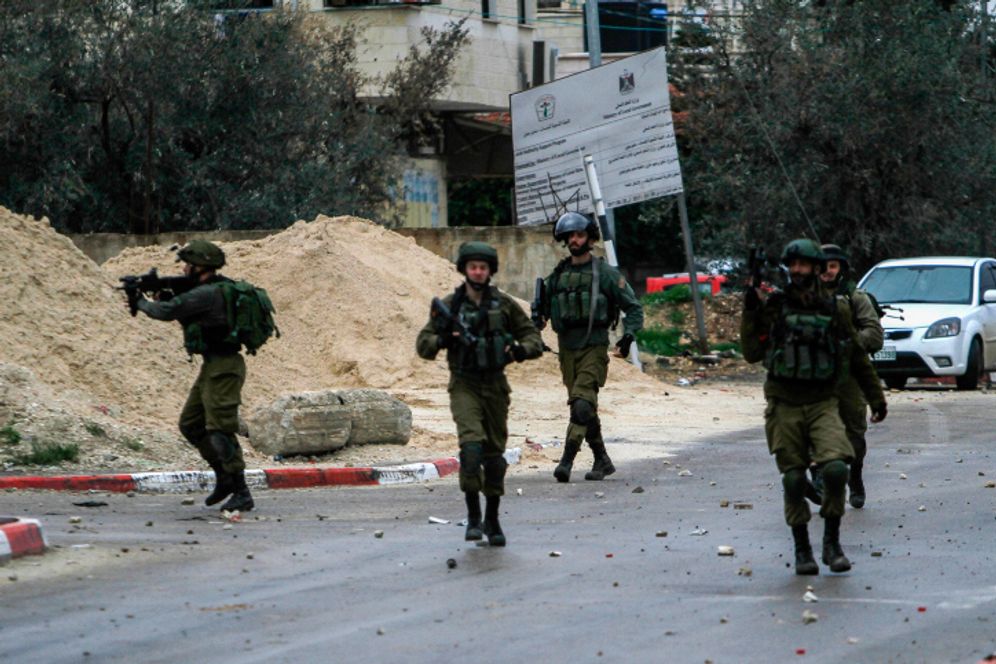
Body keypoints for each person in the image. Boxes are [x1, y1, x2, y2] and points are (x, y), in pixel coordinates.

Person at [741, 239, 886, 575]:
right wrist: (750, 311)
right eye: (792, 265)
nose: (797, 270)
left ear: (817, 269)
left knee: (835, 470)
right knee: (793, 479)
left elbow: (855, 355)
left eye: (803, 264)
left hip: (824, 402)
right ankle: (802, 547)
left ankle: (832, 542)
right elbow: (751, 352)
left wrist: (875, 397)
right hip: (784, 404)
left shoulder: (836, 308)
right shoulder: (775, 307)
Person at [416, 242, 543, 546]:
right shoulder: (451, 306)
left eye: (483, 267)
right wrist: (445, 338)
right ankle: (473, 515)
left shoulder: (503, 304)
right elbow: (423, 344)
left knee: (495, 458)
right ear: (464, 269)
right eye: (473, 266)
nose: (478, 272)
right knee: (471, 450)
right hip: (464, 384)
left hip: (496, 386)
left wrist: (518, 351)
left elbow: (533, 337)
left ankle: (493, 518)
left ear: (490, 271)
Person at [131, 240, 254, 512]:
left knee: (220, 429)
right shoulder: (211, 288)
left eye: (188, 264)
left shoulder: (208, 294)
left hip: (224, 367)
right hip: (212, 365)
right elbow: (179, 300)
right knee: (191, 423)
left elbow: (167, 311)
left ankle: (241, 490)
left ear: (200, 266)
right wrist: (159, 289)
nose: (184, 268)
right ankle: (223, 476)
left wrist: (140, 301)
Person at [535, 212, 644, 483]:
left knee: (581, 406)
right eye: (570, 236)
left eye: (580, 235)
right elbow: (541, 310)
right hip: (566, 351)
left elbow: (633, 308)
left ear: (590, 238)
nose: (574, 240)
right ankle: (602, 459)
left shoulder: (605, 275)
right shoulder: (558, 276)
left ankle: (566, 461)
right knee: (584, 407)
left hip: (594, 348)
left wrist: (628, 336)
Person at [818, 243, 885, 508]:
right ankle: (819, 477)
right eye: (822, 267)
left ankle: (854, 477)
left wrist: (847, 342)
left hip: (850, 377)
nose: (827, 272)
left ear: (840, 269)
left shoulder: (856, 297)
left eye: (832, 266)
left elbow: (875, 335)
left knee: (854, 435)